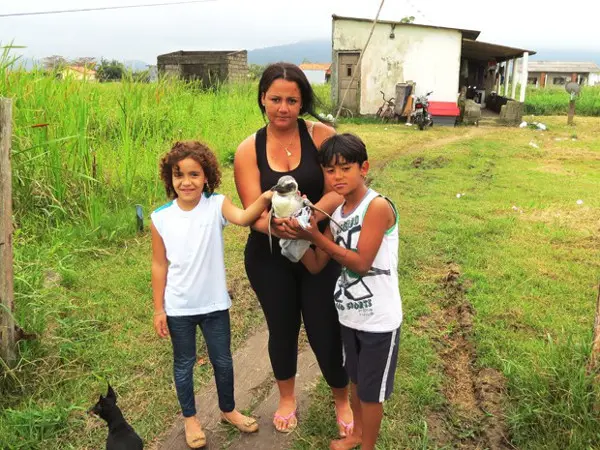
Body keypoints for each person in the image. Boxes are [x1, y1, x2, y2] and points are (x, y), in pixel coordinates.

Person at [234, 62, 353, 435]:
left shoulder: (322, 136)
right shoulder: (247, 149)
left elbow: (340, 187)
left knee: (324, 327)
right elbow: (253, 211)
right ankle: (287, 397)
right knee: (281, 328)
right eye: (275, 99)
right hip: (269, 255)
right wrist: (278, 226)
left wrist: (311, 225)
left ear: (302, 102)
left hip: (318, 250)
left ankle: (342, 398)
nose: (283, 108)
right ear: (262, 100)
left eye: (292, 100)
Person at [151, 141, 273, 449]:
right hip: (178, 307)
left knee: (223, 360)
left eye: (194, 174)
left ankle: (228, 410)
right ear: (170, 178)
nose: (187, 181)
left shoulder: (216, 204)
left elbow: (244, 218)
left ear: (207, 177)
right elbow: (158, 265)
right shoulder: (160, 217)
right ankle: (190, 419)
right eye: (178, 175)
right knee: (184, 364)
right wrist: (158, 309)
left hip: (215, 305)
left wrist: (267, 197)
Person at [291, 133, 402, 450]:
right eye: (329, 170)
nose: (337, 176)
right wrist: (293, 234)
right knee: (355, 383)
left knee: (371, 392)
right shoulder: (336, 213)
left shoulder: (377, 207)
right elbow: (315, 264)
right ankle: (355, 435)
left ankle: (368, 445)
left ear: (364, 168)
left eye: (345, 168)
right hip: (350, 315)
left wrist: (317, 234)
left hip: (379, 320)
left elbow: (363, 263)